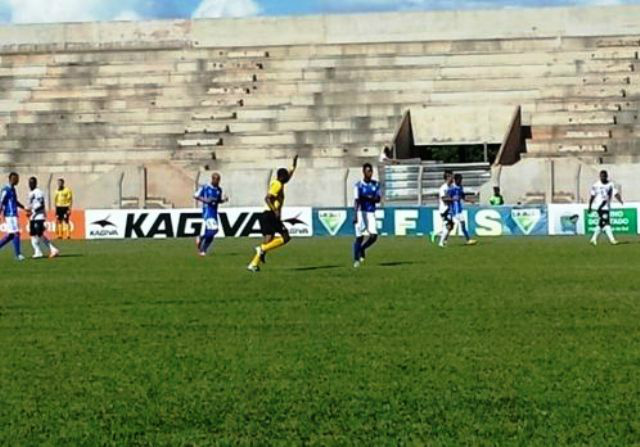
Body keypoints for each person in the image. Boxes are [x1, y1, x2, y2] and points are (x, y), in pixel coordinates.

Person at [247, 155, 298, 272]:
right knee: (286, 237)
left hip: (266, 214)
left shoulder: (280, 182)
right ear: (281, 177)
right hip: (270, 214)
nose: (287, 179)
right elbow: (267, 198)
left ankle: (253, 264)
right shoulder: (277, 184)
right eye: (286, 177)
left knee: (269, 239)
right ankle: (262, 248)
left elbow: (289, 175)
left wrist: (294, 165)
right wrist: (275, 210)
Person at [353, 163, 382, 268]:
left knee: (374, 236)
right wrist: (355, 215)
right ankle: (356, 260)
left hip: (370, 212)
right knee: (359, 237)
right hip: (360, 213)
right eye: (367, 171)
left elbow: (378, 199)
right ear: (363, 172)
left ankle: (362, 248)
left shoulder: (376, 184)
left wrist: (366, 197)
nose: (370, 173)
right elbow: (357, 201)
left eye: (371, 171)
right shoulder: (358, 186)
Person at [193, 173, 228, 257]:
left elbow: (218, 201)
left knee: (211, 234)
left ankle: (203, 250)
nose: (217, 181)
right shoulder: (205, 187)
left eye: (218, 179)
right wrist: (205, 200)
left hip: (214, 212)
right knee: (214, 230)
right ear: (212, 179)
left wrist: (224, 200)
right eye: (216, 179)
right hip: (208, 211)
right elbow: (195, 195)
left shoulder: (219, 189)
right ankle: (200, 238)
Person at [27, 176, 59, 259]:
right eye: (29, 182)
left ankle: (53, 249)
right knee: (33, 234)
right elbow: (32, 204)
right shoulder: (30, 193)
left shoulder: (38, 192)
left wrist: (33, 211)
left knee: (39, 234)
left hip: (39, 217)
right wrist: (29, 211)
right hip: (33, 217)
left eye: (32, 182)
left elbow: (41, 205)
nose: (30, 184)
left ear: (36, 183)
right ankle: (37, 252)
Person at [588, 170, 623, 246]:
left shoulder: (610, 184)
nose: (602, 178)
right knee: (606, 223)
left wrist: (620, 200)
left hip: (606, 206)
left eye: (604, 176)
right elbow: (592, 196)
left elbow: (615, 193)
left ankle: (593, 239)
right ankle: (612, 240)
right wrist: (590, 206)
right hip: (600, 207)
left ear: (606, 176)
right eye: (601, 176)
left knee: (601, 223)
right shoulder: (596, 185)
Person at [0, 172, 26, 261]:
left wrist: (24, 208)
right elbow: (1, 201)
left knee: (11, 235)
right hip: (9, 214)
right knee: (16, 233)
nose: (17, 180)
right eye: (16, 179)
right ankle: (18, 254)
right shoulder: (5, 190)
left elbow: (15, 201)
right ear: (11, 179)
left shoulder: (13, 189)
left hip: (14, 214)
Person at [449, 174, 477, 246]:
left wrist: (470, 201)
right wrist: (451, 206)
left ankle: (468, 239)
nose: (461, 181)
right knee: (452, 226)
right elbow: (447, 198)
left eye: (461, 180)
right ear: (456, 180)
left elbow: (463, 197)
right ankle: (436, 234)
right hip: (454, 210)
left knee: (461, 224)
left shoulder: (460, 187)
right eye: (460, 180)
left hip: (459, 210)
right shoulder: (451, 188)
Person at [430, 170, 454, 248]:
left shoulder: (451, 187)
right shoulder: (443, 188)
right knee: (448, 226)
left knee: (451, 226)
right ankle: (441, 243)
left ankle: (437, 234)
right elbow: (444, 199)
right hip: (444, 209)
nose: (453, 177)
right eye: (451, 176)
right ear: (447, 177)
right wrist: (453, 199)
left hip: (449, 208)